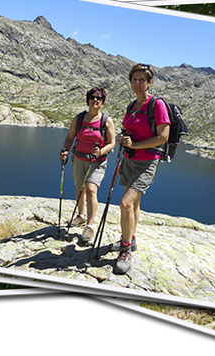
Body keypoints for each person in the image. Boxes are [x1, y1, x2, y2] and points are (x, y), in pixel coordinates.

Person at [113, 64, 170, 275]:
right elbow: (129, 129)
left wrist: (135, 145)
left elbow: (163, 136)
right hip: (129, 160)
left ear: (149, 82)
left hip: (147, 162)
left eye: (141, 80)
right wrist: (123, 140)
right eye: (134, 79)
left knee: (125, 202)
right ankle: (131, 238)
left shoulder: (157, 105)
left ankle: (125, 249)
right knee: (134, 203)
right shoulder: (132, 106)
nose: (137, 83)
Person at [59, 87, 116, 242]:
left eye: (99, 98)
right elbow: (70, 137)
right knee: (80, 189)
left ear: (102, 102)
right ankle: (81, 215)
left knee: (91, 189)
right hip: (78, 159)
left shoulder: (106, 121)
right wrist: (65, 150)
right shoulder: (79, 119)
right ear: (88, 100)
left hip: (97, 162)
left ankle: (89, 226)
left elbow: (112, 143)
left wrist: (101, 151)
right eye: (92, 97)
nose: (95, 100)